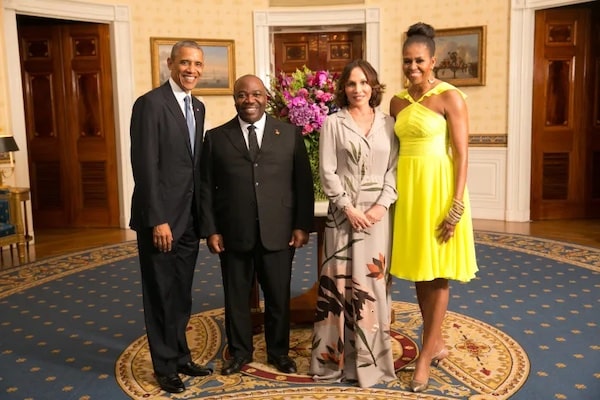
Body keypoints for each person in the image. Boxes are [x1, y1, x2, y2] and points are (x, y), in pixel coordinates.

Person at [199, 74, 314, 376]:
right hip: (233, 234)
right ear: (234, 98)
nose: (249, 100)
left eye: (256, 94)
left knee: (278, 297)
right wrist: (211, 229)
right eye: (242, 95)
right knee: (236, 298)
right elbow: (205, 188)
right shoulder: (216, 138)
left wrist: (301, 225)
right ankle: (239, 353)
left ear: (266, 98)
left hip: (278, 232)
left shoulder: (289, 134)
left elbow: (302, 184)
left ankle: (279, 353)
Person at [389, 22, 478, 392]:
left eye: (419, 61)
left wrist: (456, 205)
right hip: (408, 192)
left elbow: (462, 154)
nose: (412, 67)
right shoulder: (395, 102)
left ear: (433, 60)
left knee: (437, 271)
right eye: (407, 61)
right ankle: (436, 341)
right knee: (418, 270)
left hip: (440, 191)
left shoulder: (450, 97)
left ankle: (426, 352)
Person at [309, 59, 399, 388]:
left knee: (371, 287)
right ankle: (332, 364)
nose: (358, 89)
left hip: (377, 219)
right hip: (342, 217)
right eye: (351, 84)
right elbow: (327, 171)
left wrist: (380, 206)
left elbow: (393, 169)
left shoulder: (389, 124)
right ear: (343, 88)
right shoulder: (333, 123)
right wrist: (348, 208)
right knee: (338, 287)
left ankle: (370, 366)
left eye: (363, 83)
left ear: (373, 86)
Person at [129, 40, 212, 394]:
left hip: (189, 219)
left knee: (181, 293)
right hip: (161, 220)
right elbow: (145, 166)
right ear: (170, 64)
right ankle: (164, 366)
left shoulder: (198, 106)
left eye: (196, 64)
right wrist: (157, 219)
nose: (191, 70)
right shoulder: (150, 104)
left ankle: (180, 356)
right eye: (184, 63)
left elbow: (193, 166)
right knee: (161, 294)